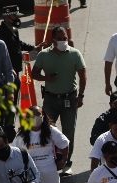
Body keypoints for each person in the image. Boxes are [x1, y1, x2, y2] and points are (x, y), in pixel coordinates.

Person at [32, 26, 87, 170]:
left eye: (65, 38)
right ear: (53, 40)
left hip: (70, 99)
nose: (64, 41)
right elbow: (34, 73)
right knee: (46, 129)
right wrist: (46, 78)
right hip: (50, 100)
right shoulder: (43, 55)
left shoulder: (75, 54)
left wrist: (81, 95)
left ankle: (66, 163)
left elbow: (83, 75)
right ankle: (48, 159)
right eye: (60, 38)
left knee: (69, 132)